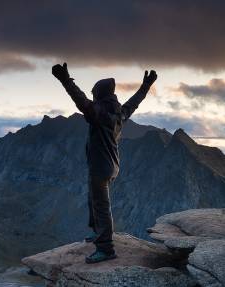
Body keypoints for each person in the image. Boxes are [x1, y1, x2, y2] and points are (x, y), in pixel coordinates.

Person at [52, 62, 157, 263]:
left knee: (101, 205)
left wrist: (66, 80)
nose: (92, 97)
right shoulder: (119, 112)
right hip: (111, 165)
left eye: (94, 94)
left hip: (100, 167)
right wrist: (145, 86)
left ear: (98, 94)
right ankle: (97, 233)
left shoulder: (98, 114)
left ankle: (106, 248)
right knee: (93, 199)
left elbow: (80, 100)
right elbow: (134, 102)